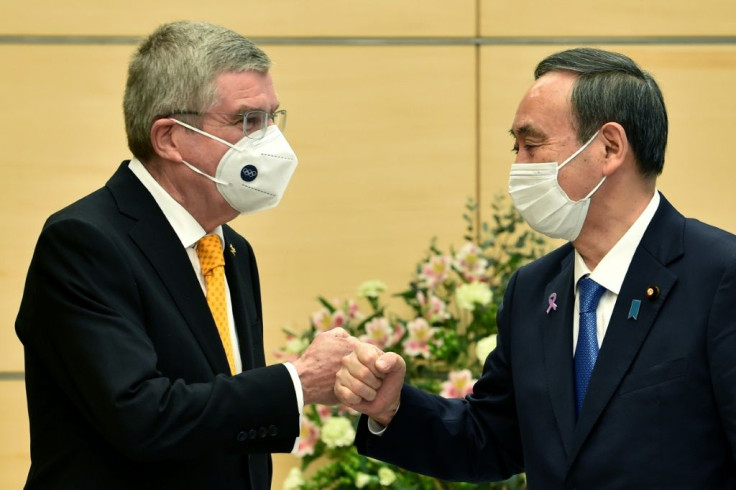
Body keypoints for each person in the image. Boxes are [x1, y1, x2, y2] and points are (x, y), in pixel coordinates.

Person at [335, 47, 736, 488]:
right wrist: (392, 408)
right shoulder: (533, 290)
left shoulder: (719, 275)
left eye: (532, 145)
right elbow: (492, 438)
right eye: (516, 147)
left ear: (609, 147)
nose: (518, 167)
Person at [15, 21, 357, 490]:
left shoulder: (229, 247)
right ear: (170, 139)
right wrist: (295, 381)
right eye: (248, 120)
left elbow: (226, 414)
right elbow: (142, 416)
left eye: (273, 118)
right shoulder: (84, 242)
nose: (272, 140)